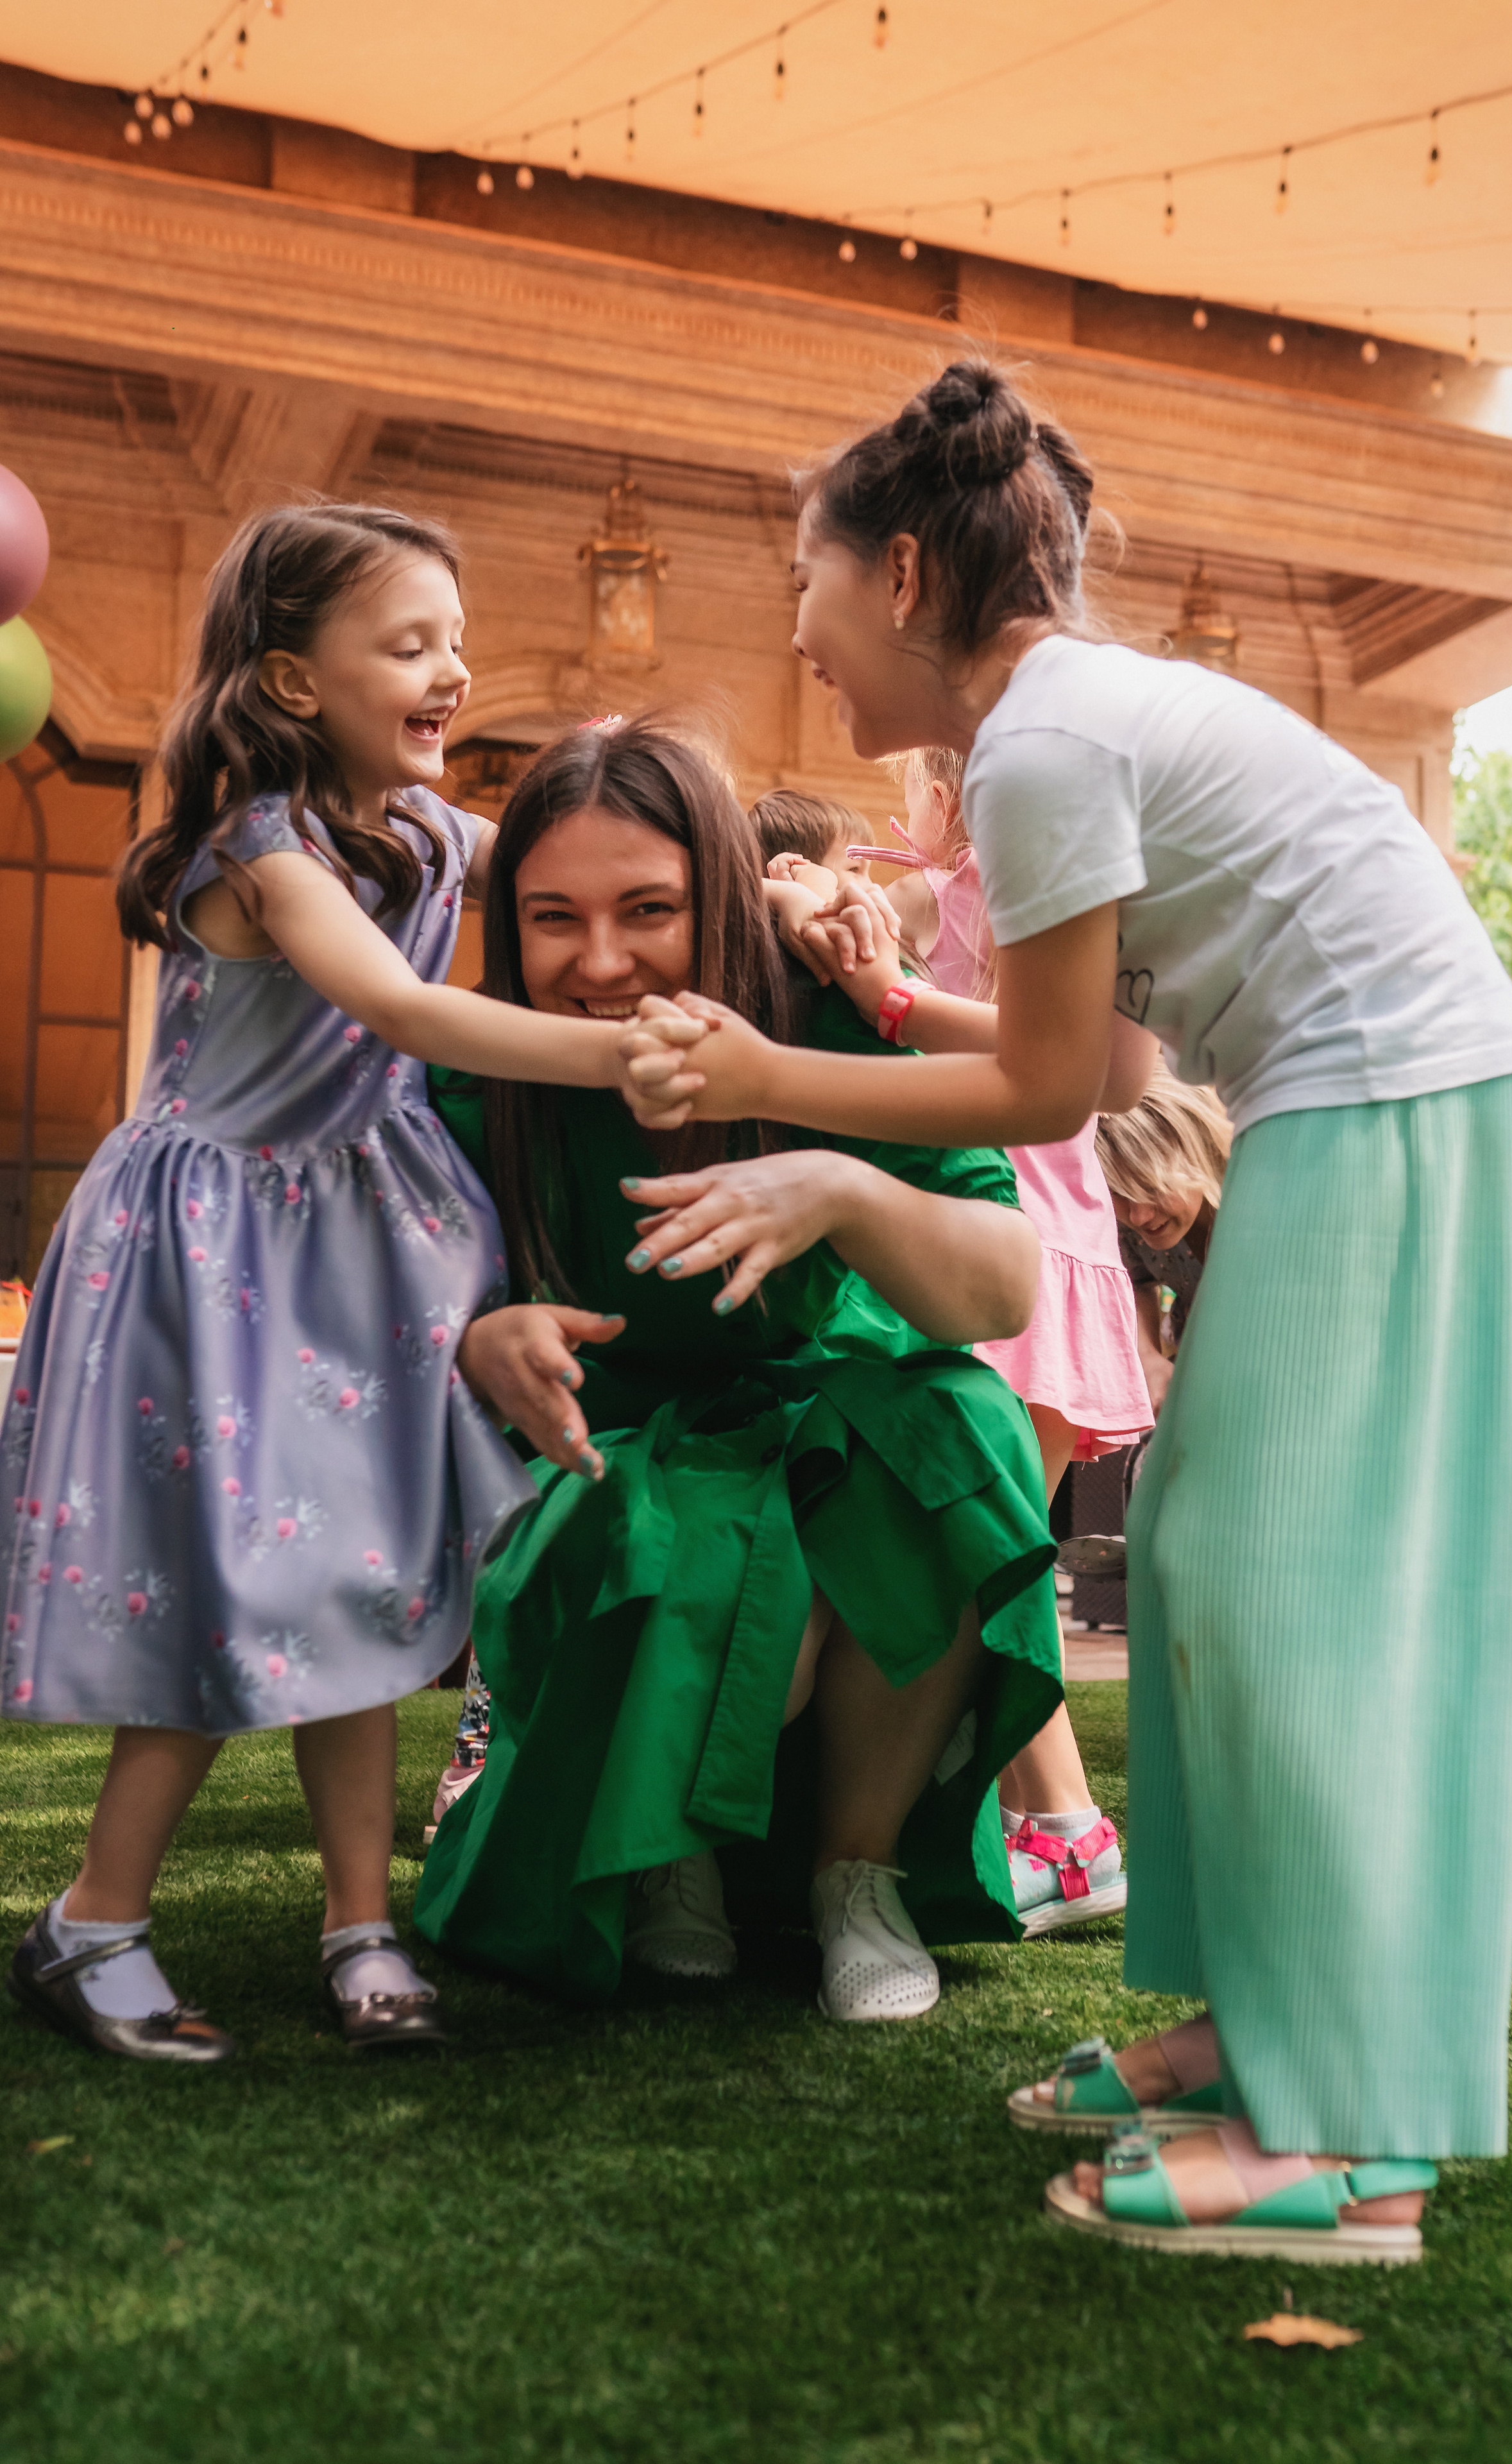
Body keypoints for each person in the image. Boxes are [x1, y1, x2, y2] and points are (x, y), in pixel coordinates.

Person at [616, 359, 1512, 2260]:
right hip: (1367, 1094)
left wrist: (760, 1076)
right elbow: (1119, 1047)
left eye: (804, 592)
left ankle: (1345, 2139)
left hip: (1384, 1099)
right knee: (1211, 1566)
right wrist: (877, 1016)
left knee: (1282, 1597)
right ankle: (1262, 2029)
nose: (802, 643)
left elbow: (1047, 1095)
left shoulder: (1044, 740)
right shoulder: (1057, 728)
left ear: (895, 572)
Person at [1, 505, 701, 2066]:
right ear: (292, 681)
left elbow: (586, 858)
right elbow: (400, 1006)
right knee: (230, 1579)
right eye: (407, 643)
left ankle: (359, 1921)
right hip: (217, 1255)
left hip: (362, 1245)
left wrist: (796, 897)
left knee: (368, 1582)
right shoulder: (262, 848)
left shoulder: (443, 834)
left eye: (454, 636)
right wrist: (634, 1048)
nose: (450, 668)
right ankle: (92, 1916)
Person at [413, 717, 1066, 2021]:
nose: (599, 964)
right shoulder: (477, 1064)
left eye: (647, 909)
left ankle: (854, 1874)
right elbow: (400, 1313)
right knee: (666, 1522)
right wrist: (478, 1342)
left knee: (961, 1433)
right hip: (626, 1463)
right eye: (553, 919)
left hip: (835, 1435)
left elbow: (999, 1283)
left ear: (716, 893)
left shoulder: (824, 1002)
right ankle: (667, 1853)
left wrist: (838, 1188)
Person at [757, 759, 1151, 1937]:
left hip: (1002, 1226)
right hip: (1056, 1238)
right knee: (991, 1552)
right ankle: (1056, 1829)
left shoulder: (960, 893)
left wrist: (818, 910)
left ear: (959, 794)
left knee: (984, 1560)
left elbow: (865, 943)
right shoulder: (986, 891)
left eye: (919, 786)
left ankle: (1073, 1837)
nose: (900, 813)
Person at [1096, 1065, 1232, 1417]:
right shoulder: (1130, 1222)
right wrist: (1147, 1355)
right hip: (1195, 1363)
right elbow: (1138, 1282)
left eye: (1153, 1189)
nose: (1138, 1217)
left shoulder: (1250, 1206)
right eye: (1120, 1193)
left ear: (1198, 1154)